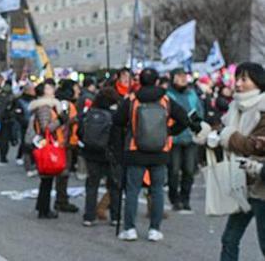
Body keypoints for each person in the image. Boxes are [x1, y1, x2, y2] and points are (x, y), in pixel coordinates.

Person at [113, 68, 200, 242]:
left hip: (135, 150)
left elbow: (117, 121)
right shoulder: (165, 99)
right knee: (157, 190)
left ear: (140, 81)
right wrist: (169, 131)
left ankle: (130, 229)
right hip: (160, 151)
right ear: (156, 81)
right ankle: (155, 229)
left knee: (132, 191)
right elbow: (184, 119)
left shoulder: (132, 99)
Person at [193, 62, 265, 260]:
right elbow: (221, 132)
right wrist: (207, 134)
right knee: (229, 239)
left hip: (261, 186)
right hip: (240, 183)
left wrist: (228, 137)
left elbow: (256, 145)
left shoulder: (263, 109)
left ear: (257, 82)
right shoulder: (234, 107)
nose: (238, 84)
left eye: (244, 79)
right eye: (237, 79)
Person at [77, 87, 122, 226]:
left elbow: (80, 132)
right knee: (114, 185)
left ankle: (89, 216)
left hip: (91, 152)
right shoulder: (115, 115)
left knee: (92, 185)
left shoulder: (90, 113)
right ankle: (115, 217)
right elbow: (118, 135)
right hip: (110, 153)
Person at [166, 67, 205, 213]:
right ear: (173, 78)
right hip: (174, 138)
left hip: (190, 137)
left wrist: (198, 124)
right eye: (179, 76)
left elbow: (200, 112)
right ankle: (174, 198)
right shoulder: (168, 95)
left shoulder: (192, 94)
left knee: (189, 170)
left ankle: (185, 198)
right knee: (174, 170)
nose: (183, 79)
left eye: (184, 76)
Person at [26, 79, 64, 219]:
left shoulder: (48, 106)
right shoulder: (44, 107)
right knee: (47, 179)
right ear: (43, 92)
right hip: (45, 145)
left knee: (46, 180)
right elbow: (45, 128)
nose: (52, 89)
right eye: (49, 88)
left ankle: (42, 207)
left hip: (44, 144)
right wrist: (60, 121)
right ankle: (44, 209)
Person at [54, 79, 80, 213]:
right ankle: (61, 200)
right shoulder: (65, 103)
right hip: (65, 143)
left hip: (66, 142)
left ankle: (61, 199)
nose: (78, 91)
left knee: (63, 173)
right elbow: (64, 122)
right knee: (63, 173)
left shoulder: (66, 103)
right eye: (76, 88)